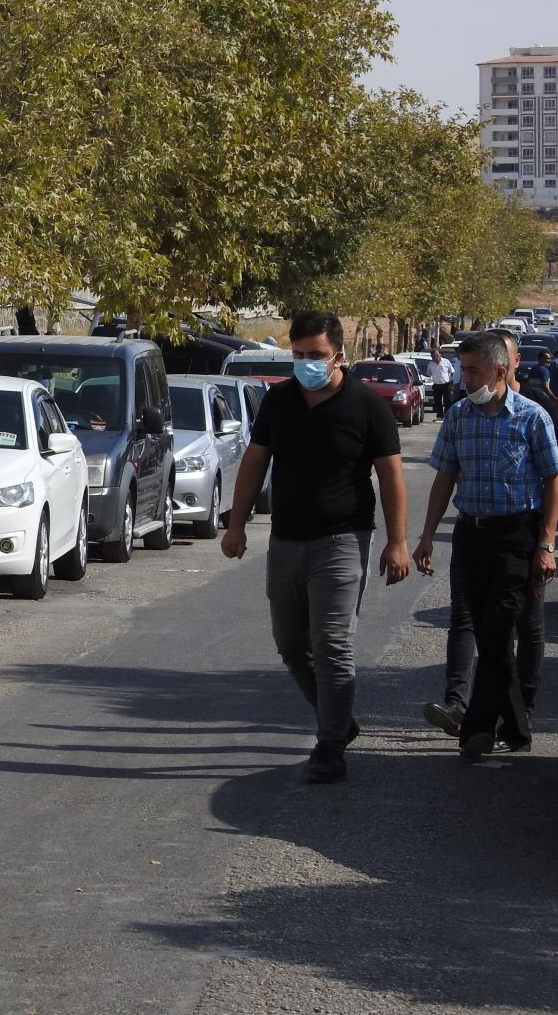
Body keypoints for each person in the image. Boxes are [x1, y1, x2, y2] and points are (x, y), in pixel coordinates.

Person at [222, 310, 410, 784]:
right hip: (286, 540)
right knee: (291, 646)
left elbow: (390, 476)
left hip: (343, 540)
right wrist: (236, 524)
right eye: (299, 354)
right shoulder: (280, 402)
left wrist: (398, 541)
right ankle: (340, 721)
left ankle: (329, 747)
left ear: (340, 356)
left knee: (332, 643)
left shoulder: (367, 406)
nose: (306, 363)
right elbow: (254, 462)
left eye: (316, 356)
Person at [414, 332, 558, 759]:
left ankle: (476, 729)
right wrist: (426, 536)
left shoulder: (533, 417)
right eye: (462, 369)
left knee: (498, 629)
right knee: (487, 634)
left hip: (517, 537)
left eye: (473, 370)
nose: (465, 378)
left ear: (500, 371)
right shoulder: (459, 416)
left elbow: (553, 480)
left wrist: (547, 543)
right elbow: (444, 477)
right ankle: (517, 729)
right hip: (471, 535)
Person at [428, 351, 455, 420]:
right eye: (432, 357)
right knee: (437, 401)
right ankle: (439, 415)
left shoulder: (446, 361)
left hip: (446, 384)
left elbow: (452, 371)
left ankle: (447, 414)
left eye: (435, 356)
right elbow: (429, 373)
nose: (433, 358)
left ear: (439, 355)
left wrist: (452, 381)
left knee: (447, 400)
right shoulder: (431, 364)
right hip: (437, 385)